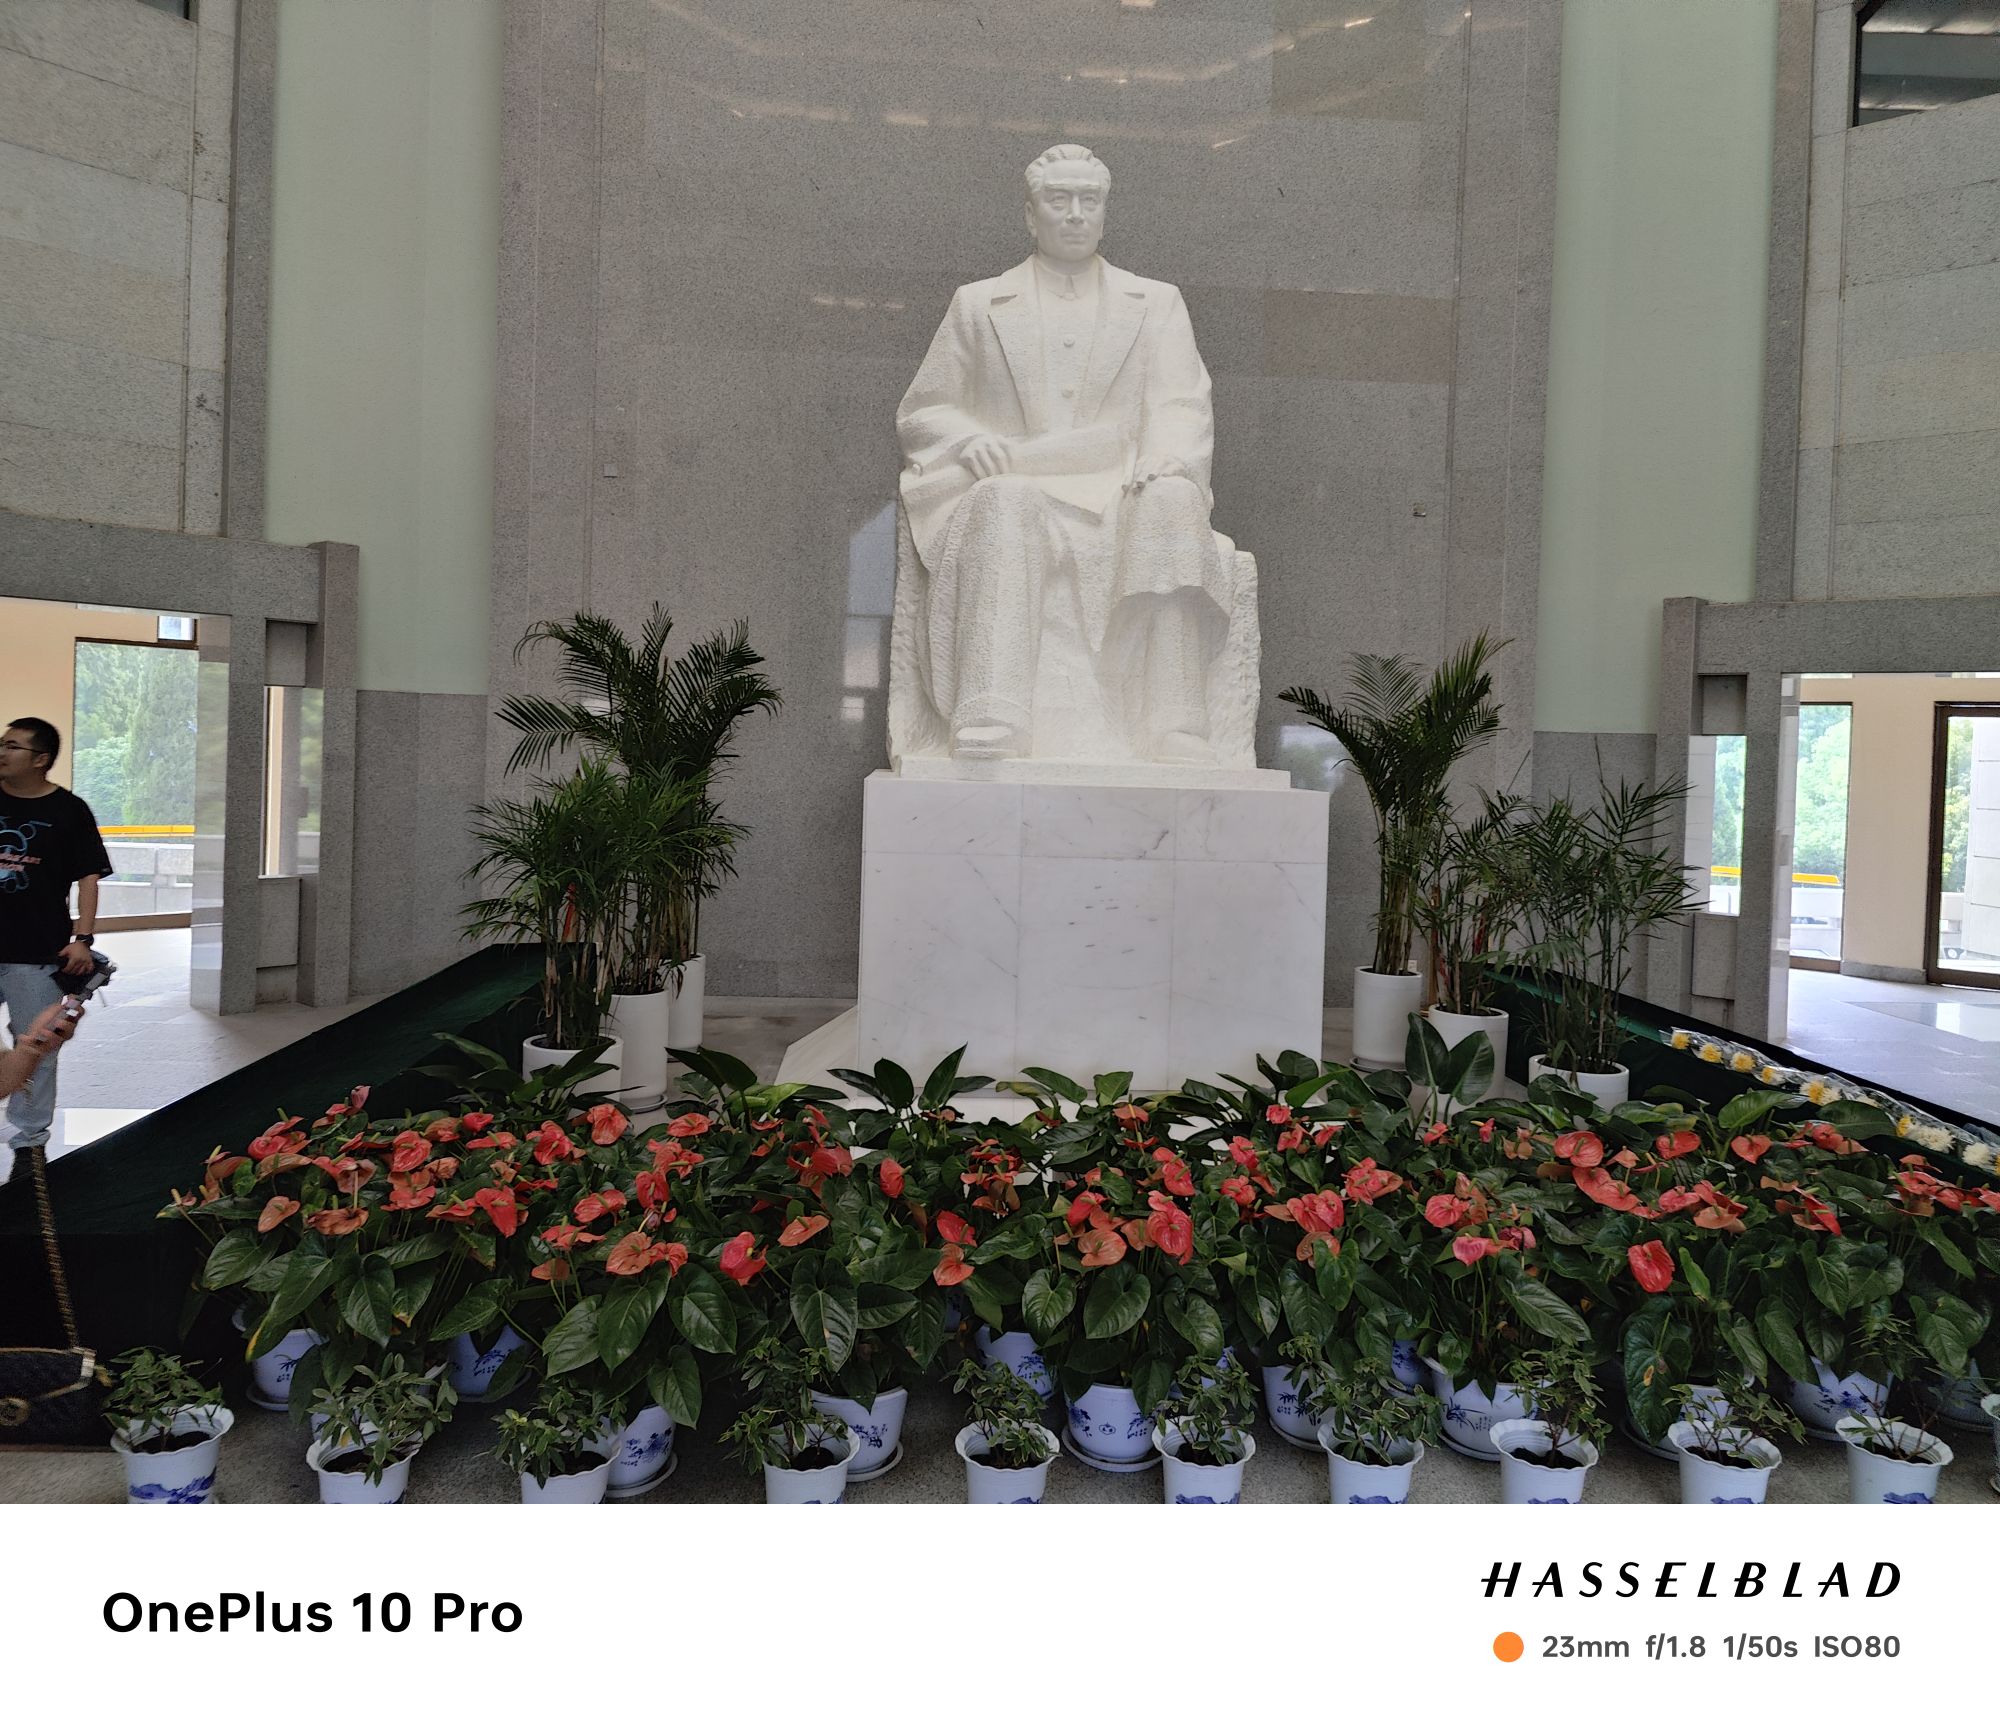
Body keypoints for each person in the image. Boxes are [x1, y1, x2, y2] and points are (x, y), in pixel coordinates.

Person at [895, 144, 1239, 764]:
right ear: (1031, 216)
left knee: (1171, 499)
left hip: (1120, 486)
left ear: (1105, 212)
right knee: (1004, 501)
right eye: (1059, 200)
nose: (1076, 213)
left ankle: (1173, 721)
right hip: (1017, 480)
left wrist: (1169, 457)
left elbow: (1181, 403)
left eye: (1090, 200)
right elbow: (926, 408)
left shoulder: (1156, 302)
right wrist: (967, 438)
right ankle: (993, 709)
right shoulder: (979, 303)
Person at [0, 718, 111, 1182]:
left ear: (41, 759)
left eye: (12, 746)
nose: (2, 752)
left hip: (36, 951)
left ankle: (29, 1144)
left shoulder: (69, 810)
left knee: (37, 1048)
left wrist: (82, 940)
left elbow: (89, 878)